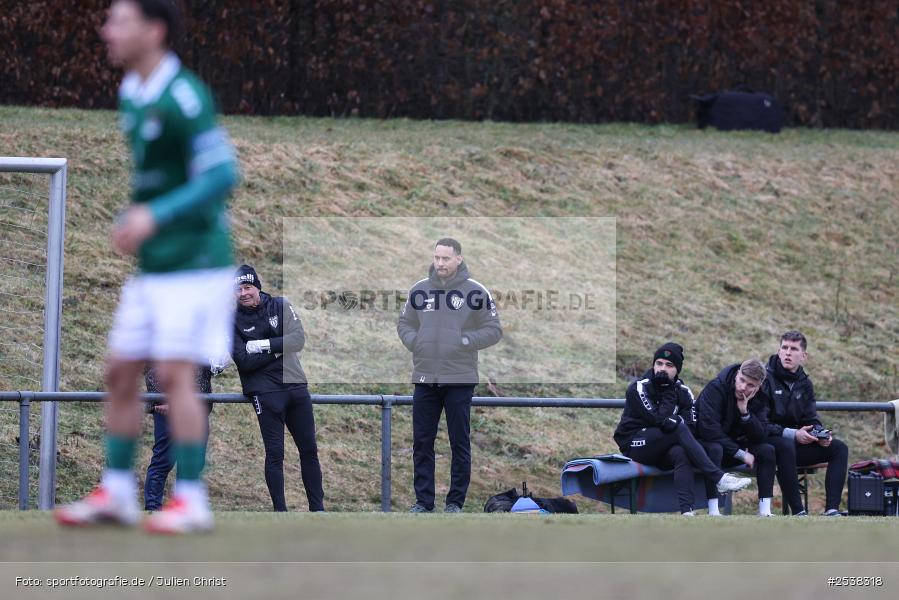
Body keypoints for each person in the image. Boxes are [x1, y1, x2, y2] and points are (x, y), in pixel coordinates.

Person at [56, 0, 238, 534]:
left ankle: (192, 499)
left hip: (196, 264)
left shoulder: (183, 95)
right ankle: (116, 493)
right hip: (155, 267)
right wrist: (134, 217)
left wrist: (154, 215)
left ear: (153, 31)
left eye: (119, 21)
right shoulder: (132, 93)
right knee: (119, 371)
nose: (106, 30)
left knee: (175, 375)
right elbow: (161, 179)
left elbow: (223, 174)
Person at [397, 238, 502, 513]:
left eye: (445, 258)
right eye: (437, 258)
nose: (440, 263)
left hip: (459, 379)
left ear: (459, 258)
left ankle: (455, 503)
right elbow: (405, 322)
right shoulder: (419, 290)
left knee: (459, 443)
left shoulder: (476, 291)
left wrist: (464, 341)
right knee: (422, 442)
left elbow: (494, 330)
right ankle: (423, 502)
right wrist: (414, 341)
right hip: (425, 379)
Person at [613, 343, 751, 516]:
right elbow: (659, 419)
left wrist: (670, 396)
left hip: (664, 446)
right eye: (659, 363)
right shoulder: (638, 388)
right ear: (653, 365)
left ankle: (687, 512)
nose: (662, 369)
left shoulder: (684, 391)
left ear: (677, 370)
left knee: (681, 451)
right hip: (635, 444)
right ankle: (719, 478)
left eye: (669, 365)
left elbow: (690, 426)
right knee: (678, 426)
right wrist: (668, 392)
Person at [231, 265, 325, 512]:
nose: (243, 293)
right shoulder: (231, 321)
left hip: (295, 386)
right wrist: (280, 349)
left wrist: (262, 345)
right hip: (265, 393)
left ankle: (318, 509)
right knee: (275, 454)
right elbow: (243, 361)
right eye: (238, 289)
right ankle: (280, 511)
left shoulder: (280, 305)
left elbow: (298, 340)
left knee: (309, 450)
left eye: (247, 287)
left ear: (257, 287)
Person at [763, 330, 849, 516]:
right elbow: (761, 423)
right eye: (784, 348)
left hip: (796, 443)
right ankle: (799, 511)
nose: (787, 352)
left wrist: (821, 435)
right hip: (770, 441)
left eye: (793, 349)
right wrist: (793, 434)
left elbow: (810, 419)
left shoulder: (804, 383)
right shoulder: (765, 379)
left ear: (803, 355)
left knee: (839, 448)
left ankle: (832, 509)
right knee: (786, 446)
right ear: (778, 351)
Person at [697, 359, 785, 517]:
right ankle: (713, 510)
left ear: (758, 387)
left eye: (750, 385)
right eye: (742, 380)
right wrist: (740, 453)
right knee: (715, 449)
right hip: (709, 446)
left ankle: (765, 511)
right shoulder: (716, 387)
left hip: (736, 447)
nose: (743, 387)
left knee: (767, 450)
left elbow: (760, 435)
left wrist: (746, 414)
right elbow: (708, 430)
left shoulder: (760, 396)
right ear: (737, 375)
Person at [143, 363, 219, 511]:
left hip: (197, 405)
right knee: (163, 461)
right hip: (169, 408)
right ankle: (153, 509)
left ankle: (185, 505)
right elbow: (152, 366)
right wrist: (166, 399)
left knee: (194, 460)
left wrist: (217, 363)